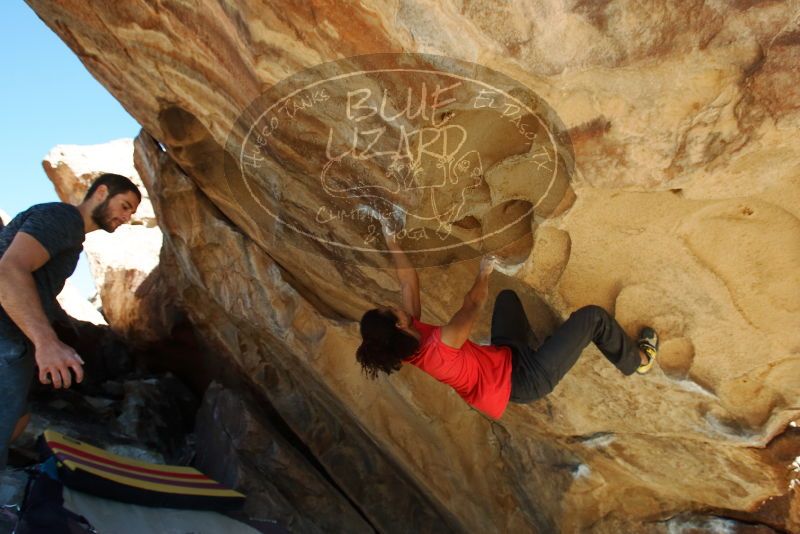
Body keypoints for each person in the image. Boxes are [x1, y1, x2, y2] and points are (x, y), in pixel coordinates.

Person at [356, 223, 658, 420]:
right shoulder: (439, 349)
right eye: (391, 309)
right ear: (398, 325)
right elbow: (472, 304)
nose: (396, 306)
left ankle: (553, 349)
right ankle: (639, 361)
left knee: (508, 301)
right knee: (593, 318)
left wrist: (390, 237)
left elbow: (408, 282)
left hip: (506, 357)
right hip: (525, 380)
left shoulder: (408, 338)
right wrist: (484, 272)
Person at [0, 173, 141, 469]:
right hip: (5, 342)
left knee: (17, 419)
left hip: (13, 346)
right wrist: (46, 343)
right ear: (101, 192)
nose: (127, 217)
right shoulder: (62, 217)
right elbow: (9, 271)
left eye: (131, 212)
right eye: (125, 205)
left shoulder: (71, 237)